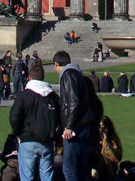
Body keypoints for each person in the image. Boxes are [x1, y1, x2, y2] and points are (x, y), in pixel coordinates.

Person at [54, 50, 104, 181]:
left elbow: (73, 101)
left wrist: (69, 126)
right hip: (85, 126)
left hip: (75, 127)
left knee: (69, 168)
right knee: (82, 166)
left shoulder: (68, 74)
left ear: (56, 64)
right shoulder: (78, 75)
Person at [10, 64, 60, 181]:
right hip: (47, 141)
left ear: (29, 77)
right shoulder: (52, 96)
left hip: (28, 139)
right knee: (47, 177)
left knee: (27, 177)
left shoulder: (24, 95)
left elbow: (14, 117)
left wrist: (18, 132)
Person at [96, 115, 123, 181]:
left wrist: (106, 147)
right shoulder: (93, 137)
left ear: (106, 128)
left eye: (100, 126)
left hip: (107, 172)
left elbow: (117, 158)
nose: (98, 128)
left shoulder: (112, 140)